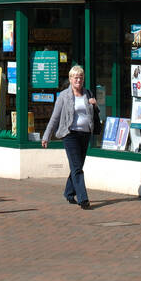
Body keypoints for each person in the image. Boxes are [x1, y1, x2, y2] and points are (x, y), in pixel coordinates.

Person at [41, 64, 98, 209]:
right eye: (75, 78)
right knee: (77, 168)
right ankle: (83, 199)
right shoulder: (63, 96)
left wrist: (95, 105)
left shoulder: (88, 94)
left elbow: (94, 114)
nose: (78, 80)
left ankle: (68, 192)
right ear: (70, 79)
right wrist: (46, 135)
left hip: (85, 134)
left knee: (77, 166)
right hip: (70, 134)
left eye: (80, 78)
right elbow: (55, 118)